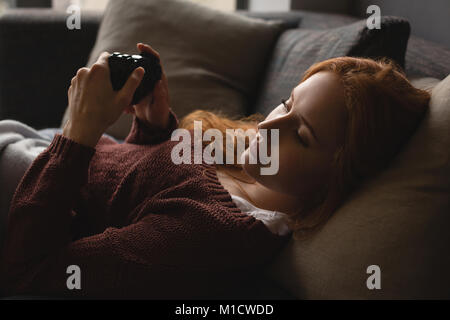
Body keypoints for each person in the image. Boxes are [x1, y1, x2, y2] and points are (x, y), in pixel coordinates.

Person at [0, 43, 430, 299]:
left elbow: (30, 268)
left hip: (19, 189)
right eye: (288, 103)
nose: (267, 125)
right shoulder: (250, 172)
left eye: (300, 133)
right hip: (31, 145)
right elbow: (125, 193)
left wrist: (77, 136)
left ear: (339, 176)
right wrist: (153, 127)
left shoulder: (211, 235)